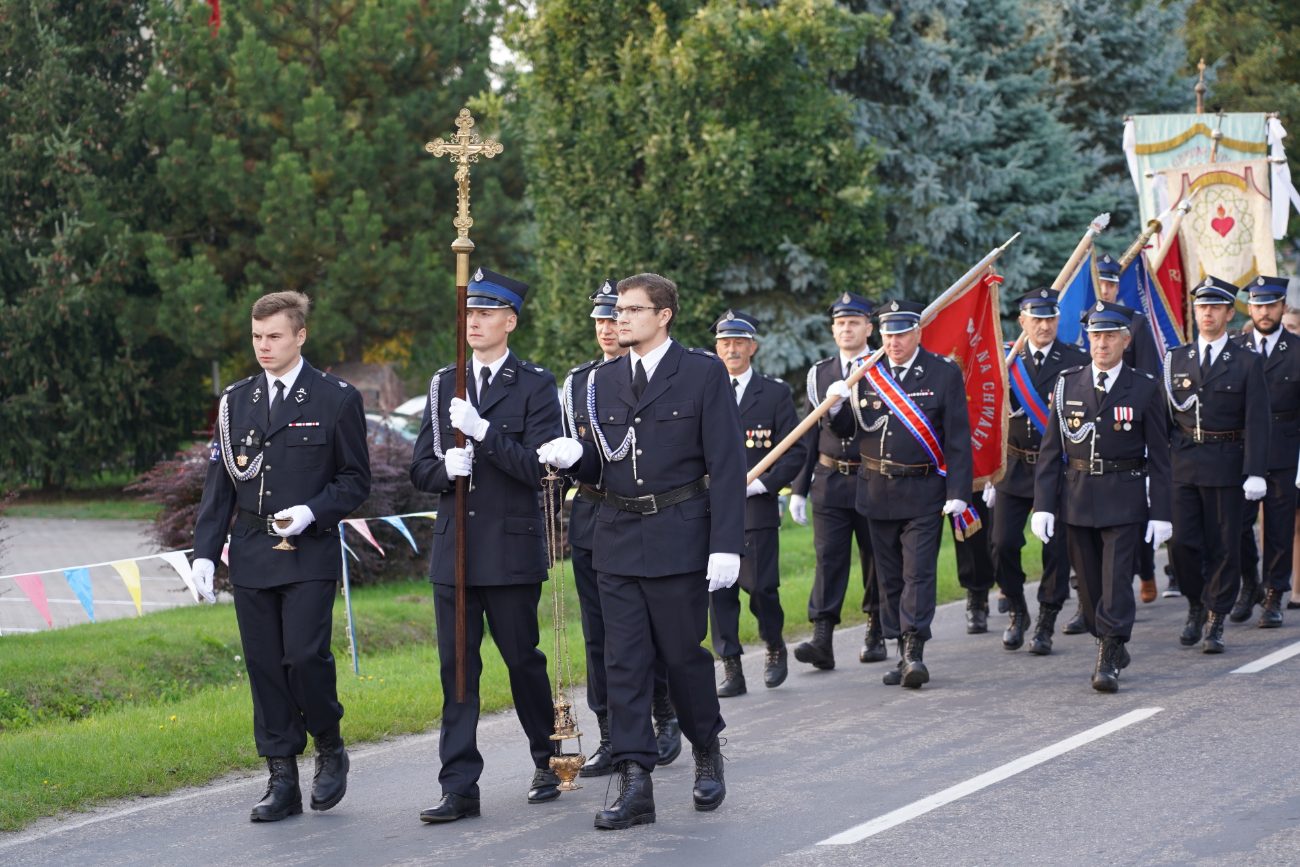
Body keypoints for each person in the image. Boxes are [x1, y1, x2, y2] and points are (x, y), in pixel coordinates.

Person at [538, 273, 746, 830]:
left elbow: (727, 463)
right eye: (617, 310)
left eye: (632, 309)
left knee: (681, 656)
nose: (619, 318)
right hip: (614, 535)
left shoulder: (701, 373)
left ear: (664, 315)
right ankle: (635, 781)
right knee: (622, 661)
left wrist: (727, 545)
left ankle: (706, 749)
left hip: (679, 533)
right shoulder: (602, 381)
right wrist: (571, 457)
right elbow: (604, 460)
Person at [192, 290, 371, 822]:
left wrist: (314, 511)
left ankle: (330, 743)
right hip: (250, 552)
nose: (263, 346)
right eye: (256, 336)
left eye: (273, 336)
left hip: (307, 551)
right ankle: (281, 777)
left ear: (300, 336)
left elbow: (355, 480)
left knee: (304, 658)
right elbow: (220, 483)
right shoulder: (236, 400)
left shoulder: (334, 397)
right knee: (266, 666)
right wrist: (205, 552)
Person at [409, 269, 564, 823]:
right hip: (455, 551)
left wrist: (482, 433)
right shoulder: (443, 382)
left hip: (511, 547)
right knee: (457, 670)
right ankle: (459, 786)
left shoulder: (535, 384)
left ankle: (548, 760)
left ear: (510, 321)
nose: (473, 321)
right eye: (468, 313)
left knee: (522, 661)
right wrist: (442, 467)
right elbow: (420, 467)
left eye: (485, 313)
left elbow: (539, 468)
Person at [562, 280, 681, 777]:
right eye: (600, 321)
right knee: (599, 635)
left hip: (646, 518)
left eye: (616, 318)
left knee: (649, 629)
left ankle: (664, 715)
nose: (608, 328)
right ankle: (610, 732)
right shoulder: (578, 382)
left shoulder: (651, 375)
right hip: (594, 518)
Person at [830, 299, 973, 688]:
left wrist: (959, 491)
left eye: (902, 333)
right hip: (876, 491)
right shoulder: (867, 372)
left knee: (918, 573)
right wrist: (838, 404)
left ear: (917, 332)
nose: (894, 341)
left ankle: (914, 649)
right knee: (889, 577)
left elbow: (959, 438)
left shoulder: (943, 373)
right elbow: (847, 431)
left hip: (925, 490)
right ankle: (898, 646)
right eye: (889, 334)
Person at [1031, 304, 1172, 692]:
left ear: (1126, 340)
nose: (1103, 343)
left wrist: (1162, 512)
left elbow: (1160, 456)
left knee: (1114, 582)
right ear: (1088, 339)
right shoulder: (1066, 384)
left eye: (1111, 335)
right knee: (1090, 587)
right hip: (1076, 498)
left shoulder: (1144, 386)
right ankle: (1105, 635)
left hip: (1124, 497)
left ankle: (1110, 653)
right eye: (1096, 335)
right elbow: (1050, 450)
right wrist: (1043, 504)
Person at [1163, 277, 1270, 654]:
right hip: (1183, 464)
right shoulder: (1175, 359)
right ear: (1195, 312)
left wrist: (1256, 470)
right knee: (1181, 544)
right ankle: (1195, 602)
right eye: (1201, 307)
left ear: (1228, 313)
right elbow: (1164, 420)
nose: (1206, 313)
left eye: (1215, 307)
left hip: (1227, 466)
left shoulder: (1246, 362)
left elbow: (1258, 419)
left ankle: (1216, 617)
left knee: (1224, 545)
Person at [708, 310, 806, 695]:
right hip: (713, 511)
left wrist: (762, 485)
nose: (731, 349)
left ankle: (774, 645)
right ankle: (731, 666)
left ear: (753, 346)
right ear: (717, 349)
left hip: (755, 507)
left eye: (738, 343)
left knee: (761, 587)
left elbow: (794, 453)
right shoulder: (705, 390)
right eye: (724, 343)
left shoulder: (775, 392)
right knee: (720, 591)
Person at [990, 288, 1090, 655]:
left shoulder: (1076, 360)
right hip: (1014, 466)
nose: (1044, 325)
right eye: (1036, 319)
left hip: (1057, 470)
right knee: (1002, 544)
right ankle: (1017, 609)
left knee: (1056, 549)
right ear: (1023, 322)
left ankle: (1047, 617)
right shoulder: (1005, 360)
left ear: (1057, 320)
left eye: (1050, 318)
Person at [788, 293, 884, 669]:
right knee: (828, 558)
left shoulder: (882, 367)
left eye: (854, 322)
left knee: (875, 556)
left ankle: (876, 629)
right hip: (830, 478)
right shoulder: (820, 373)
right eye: (841, 323)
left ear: (868, 328)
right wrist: (799, 488)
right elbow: (810, 432)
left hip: (871, 476)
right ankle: (822, 637)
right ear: (833, 330)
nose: (847, 328)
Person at [1232, 276, 1299, 627]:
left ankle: (1274, 593)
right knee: (1237, 525)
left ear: (1283, 307)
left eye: (1271, 304)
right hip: (1239, 452)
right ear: (1250, 308)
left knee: (1279, 526)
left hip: (1284, 450)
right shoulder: (1235, 346)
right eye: (1257, 304)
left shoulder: (1298, 349)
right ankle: (1249, 584)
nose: (1264, 311)